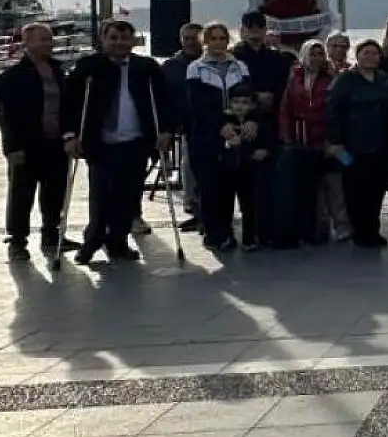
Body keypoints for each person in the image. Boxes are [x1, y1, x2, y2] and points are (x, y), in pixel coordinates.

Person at [61, 19, 177, 265]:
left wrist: (166, 130)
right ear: (103, 40)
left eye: (124, 39)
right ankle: (92, 242)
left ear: (133, 41)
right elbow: (70, 103)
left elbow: (164, 101)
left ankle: (118, 243)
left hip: (135, 141)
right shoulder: (88, 67)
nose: (119, 43)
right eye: (113, 38)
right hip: (100, 142)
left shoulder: (146, 67)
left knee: (127, 196)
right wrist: (70, 135)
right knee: (101, 195)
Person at [0, 22, 75, 261]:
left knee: (55, 193)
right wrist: (12, 148)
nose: (48, 44)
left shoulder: (59, 72)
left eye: (49, 39)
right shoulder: (11, 78)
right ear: (26, 43)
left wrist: (70, 136)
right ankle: (17, 241)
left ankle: (51, 234)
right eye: (41, 39)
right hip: (26, 145)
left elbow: (68, 108)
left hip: (55, 144)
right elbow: (3, 116)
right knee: (21, 195)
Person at [184, 22, 253, 249]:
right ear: (205, 41)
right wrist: (220, 126)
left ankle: (229, 233)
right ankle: (215, 234)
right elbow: (198, 105)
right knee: (210, 187)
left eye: (222, 38)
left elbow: (246, 97)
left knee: (230, 184)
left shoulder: (240, 67)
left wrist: (242, 123)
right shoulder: (196, 68)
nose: (218, 43)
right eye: (213, 38)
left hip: (236, 133)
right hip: (206, 135)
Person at [325, 40, 388, 248]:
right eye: (366, 53)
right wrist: (336, 141)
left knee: (377, 190)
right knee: (355, 191)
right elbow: (332, 111)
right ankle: (360, 232)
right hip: (351, 146)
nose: (371, 56)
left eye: (375, 53)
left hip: (380, 144)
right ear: (357, 56)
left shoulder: (386, 80)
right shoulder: (345, 79)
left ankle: (372, 230)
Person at [279, 39, 346, 243]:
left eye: (319, 54)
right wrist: (287, 137)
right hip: (304, 141)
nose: (316, 58)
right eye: (312, 54)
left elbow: (340, 110)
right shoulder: (295, 78)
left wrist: (335, 139)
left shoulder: (333, 77)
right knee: (313, 187)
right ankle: (319, 227)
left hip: (331, 142)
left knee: (337, 184)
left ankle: (344, 226)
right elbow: (285, 110)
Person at [218, 84, 276, 251]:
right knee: (225, 205)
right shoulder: (223, 121)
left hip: (249, 169)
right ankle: (226, 236)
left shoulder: (260, 121)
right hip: (228, 169)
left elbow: (268, 140)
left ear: (252, 105)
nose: (239, 107)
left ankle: (249, 238)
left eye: (244, 103)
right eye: (236, 102)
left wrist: (264, 151)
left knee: (249, 205)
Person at [159, 22, 204, 231]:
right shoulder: (171, 66)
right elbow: (163, 99)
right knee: (189, 169)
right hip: (186, 126)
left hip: (213, 125)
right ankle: (196, 211)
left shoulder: (213, 62)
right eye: (186, 38)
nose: (190, 42)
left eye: (194, 38)